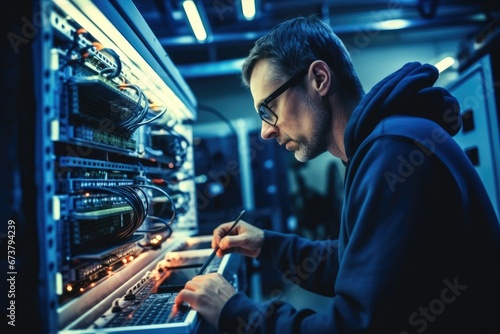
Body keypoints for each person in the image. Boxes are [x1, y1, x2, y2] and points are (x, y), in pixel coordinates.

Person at [174, 15, 500, 333]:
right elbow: (352, 262)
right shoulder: (380, 146)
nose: (264, 132)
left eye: (267, 109)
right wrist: (267, 244)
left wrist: (235, 312)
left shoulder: (392, 152)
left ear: (319, 79)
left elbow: (355, 325)